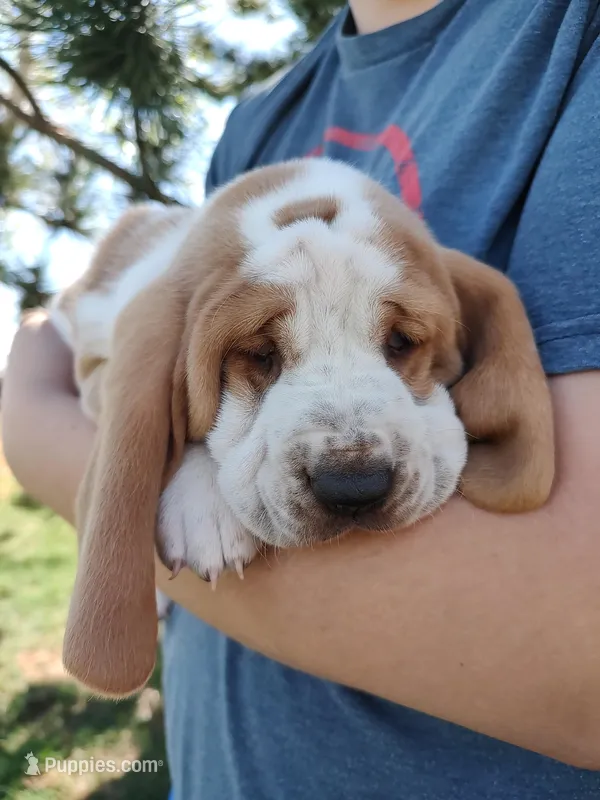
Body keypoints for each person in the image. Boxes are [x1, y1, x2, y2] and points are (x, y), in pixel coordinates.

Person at [3, 0, 600, 797]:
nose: (353, 459)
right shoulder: (261, 119)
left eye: (398, 343)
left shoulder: (570, 38)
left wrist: (26, 412)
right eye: (260, 355)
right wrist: (167, 454)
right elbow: (125, 353)